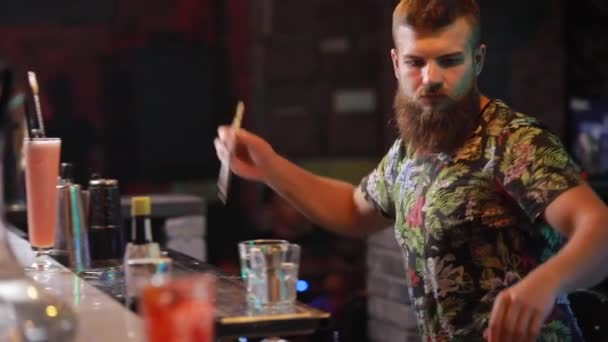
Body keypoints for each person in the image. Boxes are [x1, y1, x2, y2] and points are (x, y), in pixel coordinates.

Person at [214, 0, 608, 341]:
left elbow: (600, 230)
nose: (431, 78)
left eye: (450, 61)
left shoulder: (515, 142)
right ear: (395, 62)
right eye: (415, 62)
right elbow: (354, 209)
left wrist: (547, 282)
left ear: (478, 60)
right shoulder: (410, 151)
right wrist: (269, 166)